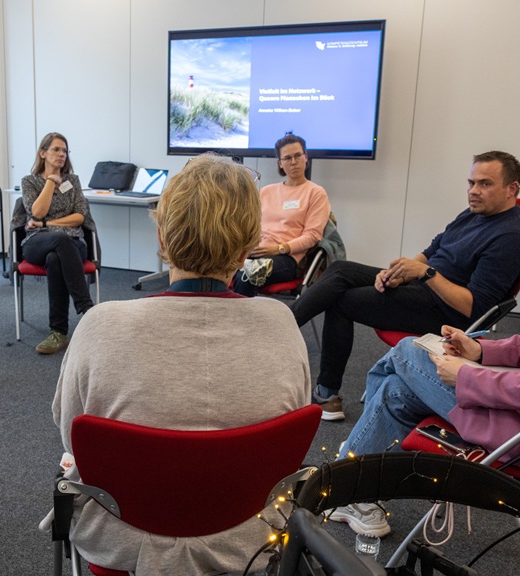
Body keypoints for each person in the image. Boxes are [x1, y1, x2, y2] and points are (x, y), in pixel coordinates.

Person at [52, 153, 310, 575]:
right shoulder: (282, 324)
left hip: (123, 535)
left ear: (162, 236)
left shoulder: (100, 325)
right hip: (249, 538)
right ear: (247, 247)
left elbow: (70, 434)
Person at [329, 144, 520, 538]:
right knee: (395, 389)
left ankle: (344, 475)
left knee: (406, 351)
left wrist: (468, 377)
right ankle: (350, 487)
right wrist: (481, 350)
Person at [293, 151, 520, 421]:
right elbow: (432, 250)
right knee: (340, 270)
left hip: (447, 315)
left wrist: (424, 273)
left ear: (511, 189)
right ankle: (286, 329)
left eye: (485, 184)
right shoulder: (474, 213)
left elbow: (473, 307)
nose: (474, 191)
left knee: (342, 301)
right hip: (423, 290)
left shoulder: (511, 238)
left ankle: (325, 392)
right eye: (471, 183)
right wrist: (399, 274)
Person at [17, 132, 94, 355]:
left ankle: (58, 332)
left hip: (73, 242)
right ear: (43, 153)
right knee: (59, 241)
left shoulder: (73, 181)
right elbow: (37, 211)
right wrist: (51, 181)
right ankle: (87, 309)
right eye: (56, 150)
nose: (62, 154)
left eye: (65, 151)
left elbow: (79, 217)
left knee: (55, 257)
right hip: (37, 242)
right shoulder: (30, 181)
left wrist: (46, 223)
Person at [233, 133, 331, 295]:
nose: (293, 162)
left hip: (286, 258)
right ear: (280, 163)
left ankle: (240, 313)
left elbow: (312, 236)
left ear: (306, 157)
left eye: (298, 155)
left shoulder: (315, 193)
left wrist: (279, 249)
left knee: (247, 275)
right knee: (214, 268)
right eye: (287, 158)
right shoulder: (266, 192)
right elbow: (249, 225)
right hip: (255, 252)